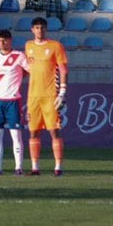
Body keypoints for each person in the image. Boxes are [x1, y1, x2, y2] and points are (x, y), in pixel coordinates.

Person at [25, 16, 68, 176]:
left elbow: (63, 70)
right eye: (36, 27)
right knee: (33, 131)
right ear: (32, 30)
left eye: (42, 27)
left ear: (46, 29)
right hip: (33, 96)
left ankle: (58, 168)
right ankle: (35, 168)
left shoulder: (56, 46)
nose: (39, 30)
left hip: (51, 95)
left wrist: (62, 91)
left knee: (54, 131)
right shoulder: (28, 46)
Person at [0, 30, 30, 175]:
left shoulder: (19, 56)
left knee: (15, 135)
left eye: (5, 40)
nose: (2, 43)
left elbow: (29, 70)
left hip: (13, 100)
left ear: (10, 40)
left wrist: (18, 78)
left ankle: (18, 167)